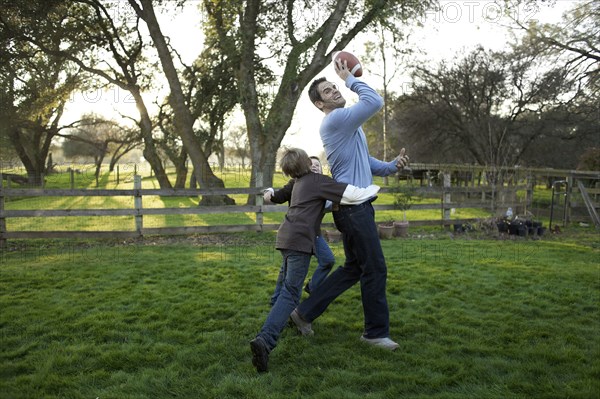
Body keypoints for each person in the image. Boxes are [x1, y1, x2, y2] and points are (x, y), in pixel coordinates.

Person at [289, 58, 410, 351]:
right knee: (375, 269)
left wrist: (393, 165)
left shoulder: (347, 125)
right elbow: (374, 102)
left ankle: (303, 313)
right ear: (320, 105)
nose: (335, 91)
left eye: (334, 87)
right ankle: (375, 334)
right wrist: (350, 78)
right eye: (329, 92)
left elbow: (364, 162)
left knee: (354, 268)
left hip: (355, 207)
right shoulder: (335, 120)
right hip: (353, 209)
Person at [250, 148, 380, 372]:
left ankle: (267, 333)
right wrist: (373, 189)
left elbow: (278, 196)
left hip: (286, 237)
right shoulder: (317, 181)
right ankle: (265, 340)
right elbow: (352, 194)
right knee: (291, 294)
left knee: (287, 289)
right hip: (300, 241)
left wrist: (270, 191)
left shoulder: (298, 183)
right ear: (306, 164)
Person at [265, 156, 336, 305]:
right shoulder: (296, 183)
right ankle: (276, 300)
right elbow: (280, 196)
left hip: (314, 234)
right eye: (312, 164)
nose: (315, 166)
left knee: (328, 260)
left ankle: (312, 286)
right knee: (286, 270)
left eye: (318, 165)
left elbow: (331, 202)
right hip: (297, 234)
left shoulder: (322, 183)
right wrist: (270, 191)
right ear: (305, 167)